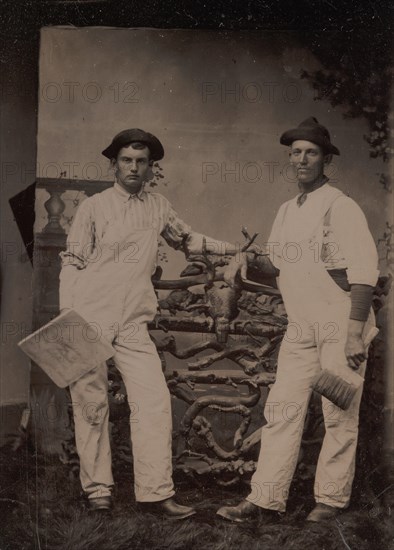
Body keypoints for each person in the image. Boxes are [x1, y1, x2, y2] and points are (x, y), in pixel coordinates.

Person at [59, 128, 240, 517]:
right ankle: (98, 491)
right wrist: (67, 317)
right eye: (127, 160)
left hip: (132, 323)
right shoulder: (94, 208)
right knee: (91, 404)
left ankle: (155, 494)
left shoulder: (158, 206)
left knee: (154, 402)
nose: (134, 168)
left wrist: (236, 248)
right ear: (114, 164)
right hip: (88, 316)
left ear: (151, 168)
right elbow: (72, 261)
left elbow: (189, 240)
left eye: (142, 162)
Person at [217, 117, 379, 523]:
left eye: (311, 152)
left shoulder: (341, 207)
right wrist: (246, 260)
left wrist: (355, 334)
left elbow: (363, 273)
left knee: (338, 414)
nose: (302, 159)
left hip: (342, 324)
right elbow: (278, 264)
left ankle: (330, 500)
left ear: (326, 160)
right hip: (302, 325)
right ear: (290, 159)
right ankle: (264, 501)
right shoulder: (288, 210)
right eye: (296, 152)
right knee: (282, 411)